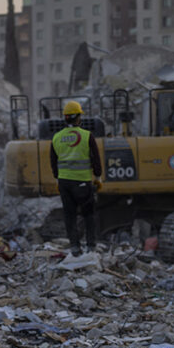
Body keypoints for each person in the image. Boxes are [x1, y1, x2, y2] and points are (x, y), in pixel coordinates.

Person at [49, 101, 103, 254]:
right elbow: (95, 159)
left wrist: (57, 178)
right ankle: (91, 246)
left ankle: (75, 246)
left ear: (65, 118)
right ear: (78, 117)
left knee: (69, 214)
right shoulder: (87, 136)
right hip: (82, 182)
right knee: (88, 214)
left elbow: (53, 161)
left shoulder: (56, 137)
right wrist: (98, 177)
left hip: (64, 183)